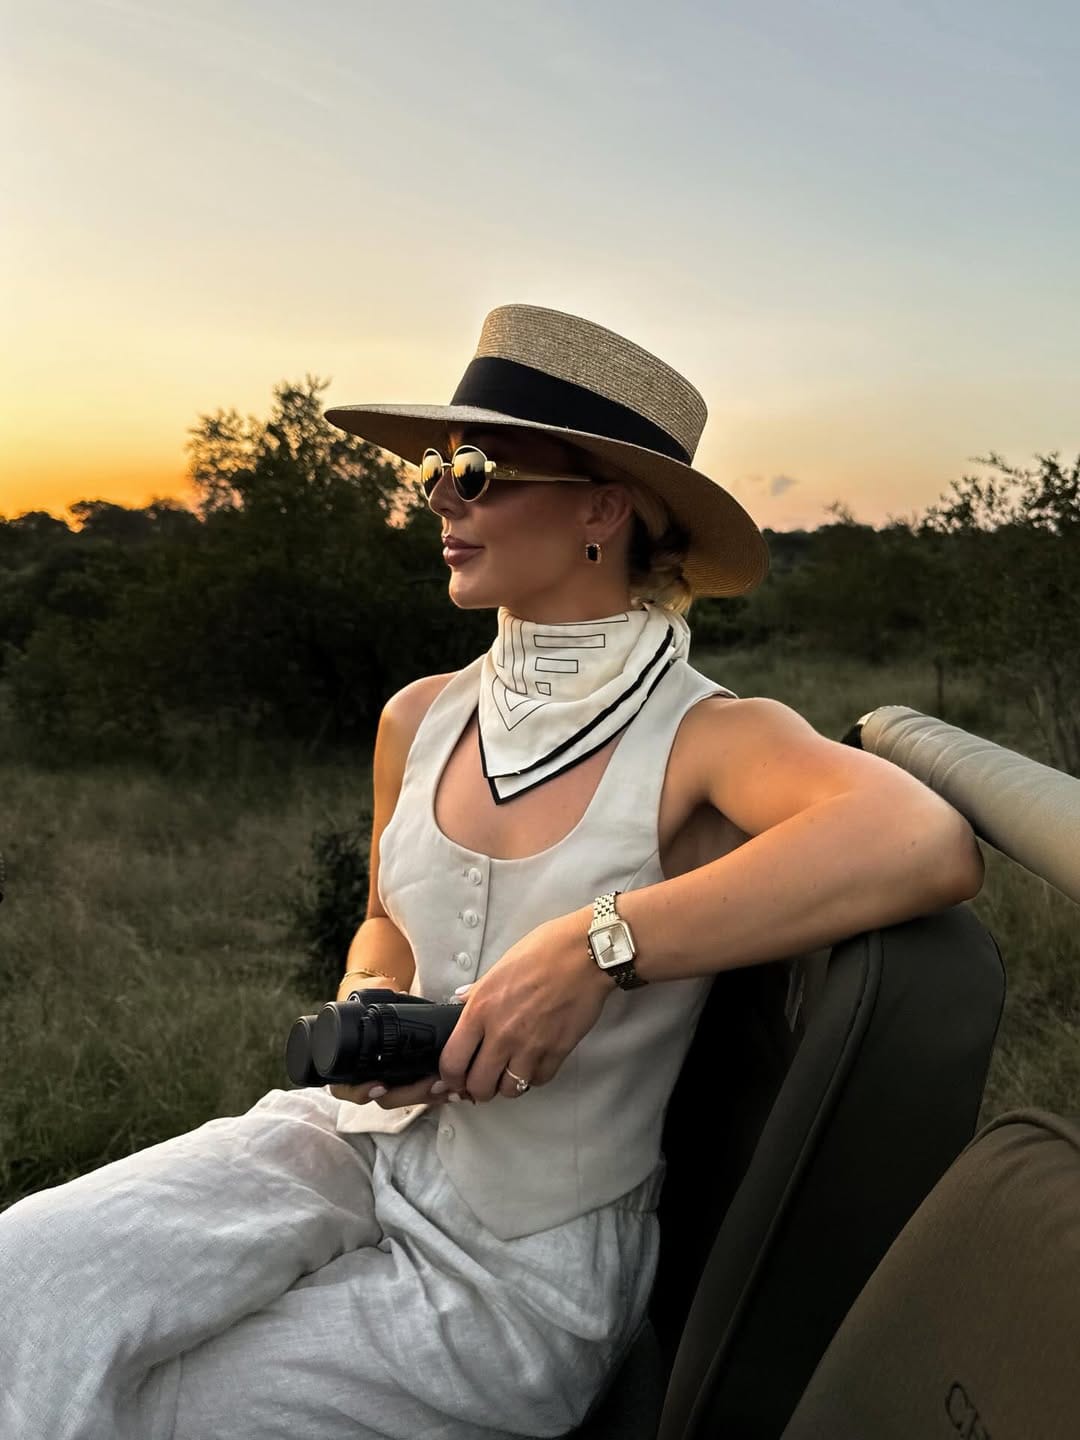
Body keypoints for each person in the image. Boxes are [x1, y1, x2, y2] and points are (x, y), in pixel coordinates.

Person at [0, 304, 984, 1440]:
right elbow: (386, 919)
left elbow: (923, 838)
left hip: (517, 1260)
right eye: (435, 469)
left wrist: (592, 944)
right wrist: (374, 992)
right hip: (339, 1145)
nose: (437, 498)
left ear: (603, 509)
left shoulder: (710, 736)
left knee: (166, 1411)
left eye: (475, 470)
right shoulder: (417, 717)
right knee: (25, 1284)